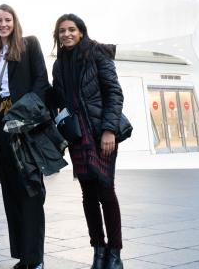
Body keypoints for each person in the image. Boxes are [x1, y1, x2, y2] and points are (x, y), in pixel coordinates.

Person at [51, 14, 127, 269]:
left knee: (106, 189)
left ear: (81, 31)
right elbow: (57, 99)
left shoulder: (98, 53)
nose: (67, 34)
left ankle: (114, 252)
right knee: (88, 194)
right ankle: (98, 248)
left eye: (71, 29)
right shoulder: (59, 65)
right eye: (62, 31)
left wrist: (109, 130)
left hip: (99, 132)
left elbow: (114, 92)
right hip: (77, 136)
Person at [0, 4, 50, 269]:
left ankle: (35, 258)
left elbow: (41, 81)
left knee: (31, 191)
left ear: (14, 21)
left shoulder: (29, 45)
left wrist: (25, 113)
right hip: (2, 126)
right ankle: (23, 256)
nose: (3, 24)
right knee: (12, 192)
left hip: (24, 126)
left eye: (7, 19)